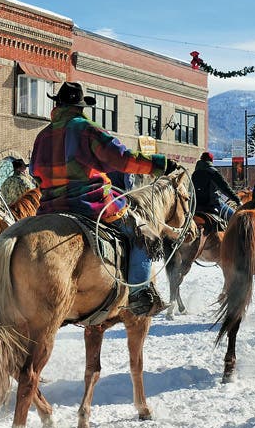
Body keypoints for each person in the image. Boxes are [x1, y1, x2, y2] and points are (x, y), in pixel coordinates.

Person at [30, 81, 178, 315]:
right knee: (142, 232)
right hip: (90, 203)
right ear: (80, 107)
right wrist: (159, 164)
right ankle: (140, 294)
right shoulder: (86, 128)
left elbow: (33, 173)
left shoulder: (42, 135)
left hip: (49, 206)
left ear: (57, 105)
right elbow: (122, 159)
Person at [192, 152, 241, 221]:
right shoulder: (213, 172)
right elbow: (225, 188)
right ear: (211, 161)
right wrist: (237, 200)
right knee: (236, 218)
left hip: (197, 206)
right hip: (212, 204)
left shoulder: (195, 173)